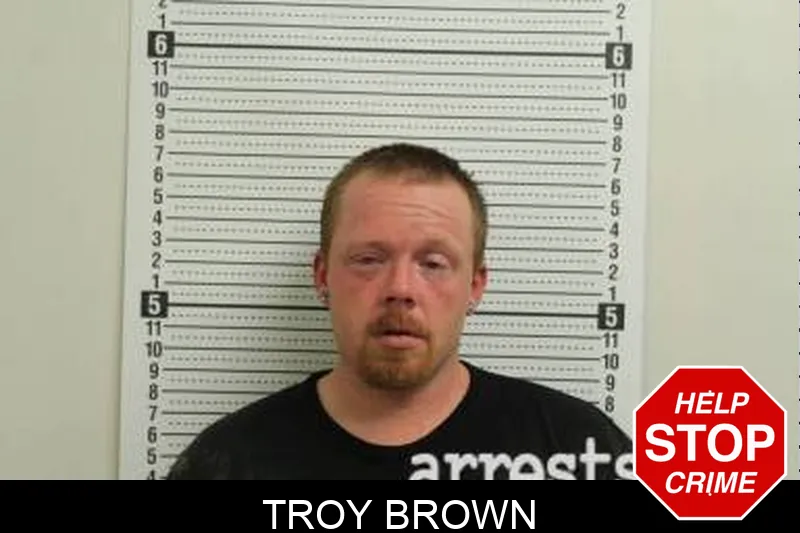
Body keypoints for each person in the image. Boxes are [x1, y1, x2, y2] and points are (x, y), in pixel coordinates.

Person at [166, 142, 633, 480]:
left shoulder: (577, 449)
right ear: (323, 276)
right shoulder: (227, 463)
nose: (400, 289)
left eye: (433, 263)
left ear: (475, 286)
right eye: (369, 259)